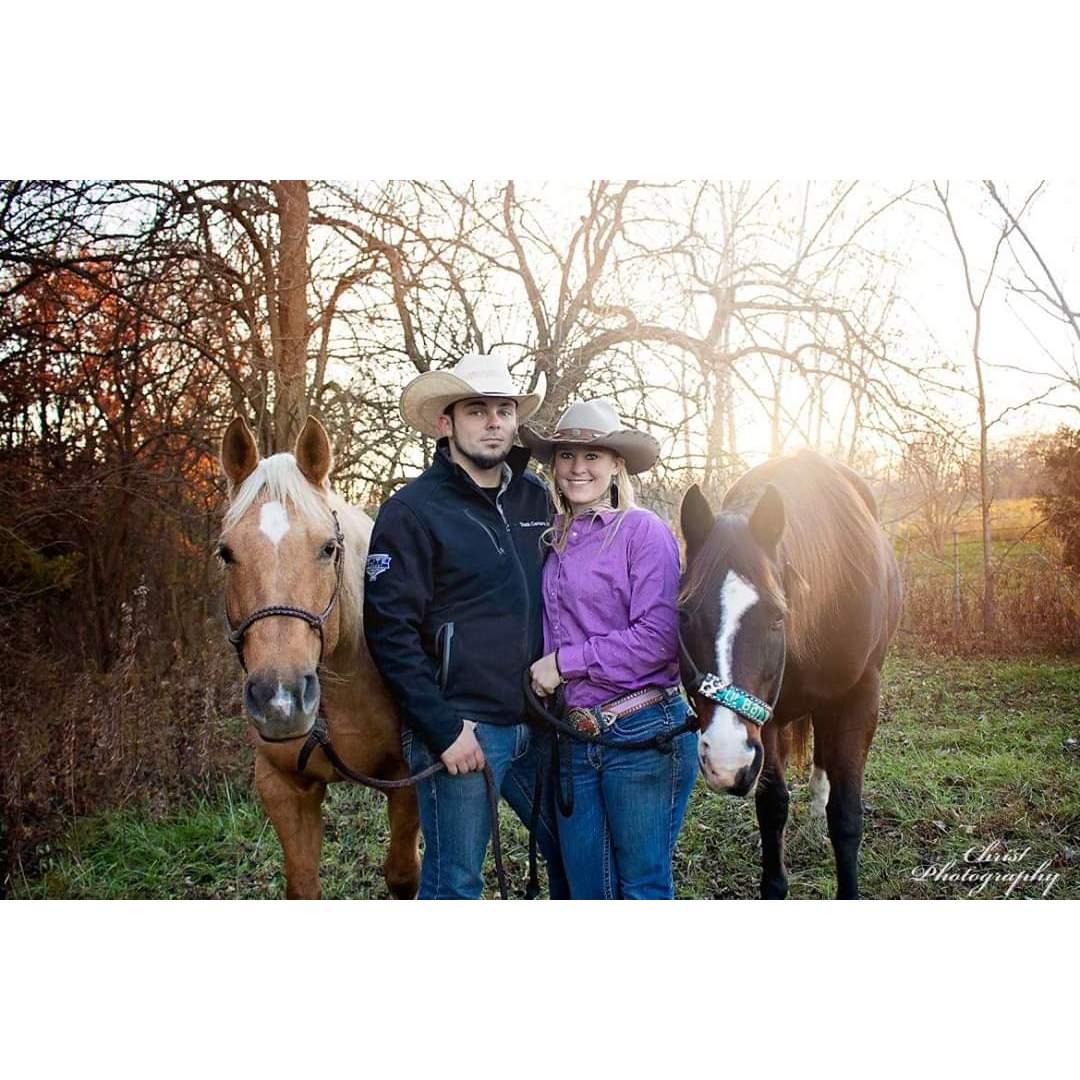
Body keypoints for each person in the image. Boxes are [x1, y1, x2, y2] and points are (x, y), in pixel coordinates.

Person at [363, 352, 568, 900]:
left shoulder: (535, 498)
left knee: (574, 852)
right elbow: (389, 633)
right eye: (477, 411)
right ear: (445, 423)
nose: (494, 422)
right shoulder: (412, 511)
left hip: (539, 723)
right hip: (465, 731)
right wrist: (444, 730)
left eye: (504, 410)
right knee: (455, 884)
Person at [522, 399, 697, 899]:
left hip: (642, 731)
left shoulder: (642, 532)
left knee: (640, 887)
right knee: (588, 891)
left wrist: (564, 663)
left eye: (593, 456)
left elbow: (659, 637)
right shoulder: (553, 538)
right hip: (575, 737)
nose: (578, 467)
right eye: (567, 455)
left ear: (617, 463)